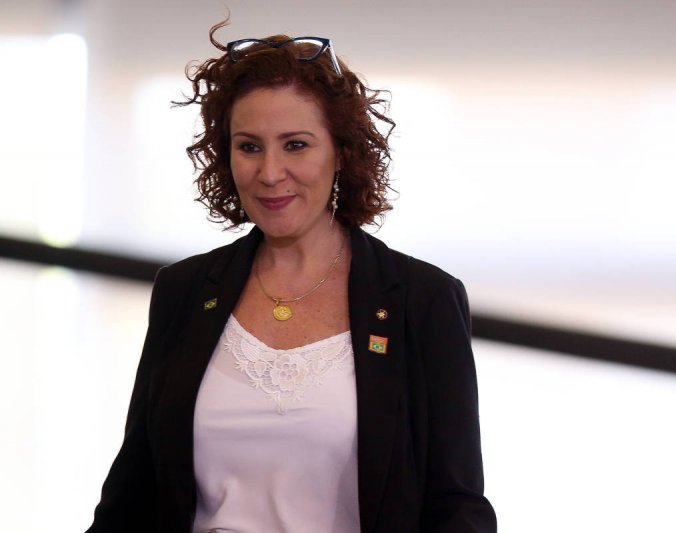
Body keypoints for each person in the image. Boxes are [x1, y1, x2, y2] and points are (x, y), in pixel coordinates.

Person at [87, 21, 496, 533]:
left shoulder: (423, 299)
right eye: (249, 146)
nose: (270, 173)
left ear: (341, 152)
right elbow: (133, 492)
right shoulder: (184, 291)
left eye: (296, 145)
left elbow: (457, 506)